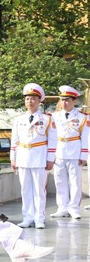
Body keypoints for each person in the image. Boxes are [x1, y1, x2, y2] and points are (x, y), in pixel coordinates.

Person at [10, 83, 56, 229]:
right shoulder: (19, 119)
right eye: (27, 99)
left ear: (39, 101)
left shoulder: (47, 119)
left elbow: (52, 140)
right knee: (25, 189)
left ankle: (39, 218)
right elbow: (14, 140)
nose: (30, 101)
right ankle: (27, 217)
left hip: (39, 157)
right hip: (23, 156)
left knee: (39, 190)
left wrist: (50, 159)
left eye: (33, 99)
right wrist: (13, 158)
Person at [50, 85, 86, 220]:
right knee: (60, 181)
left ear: (74, 101)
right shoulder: (54, 116)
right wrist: (51, 154)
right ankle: (62, 207)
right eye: (62, 100)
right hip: (59, 151)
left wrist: (83, 155)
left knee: (75, 182)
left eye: (67, 100)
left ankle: (74, 208)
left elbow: (86, 137)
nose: (64, 103)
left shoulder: (82, 117)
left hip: (75, 151)